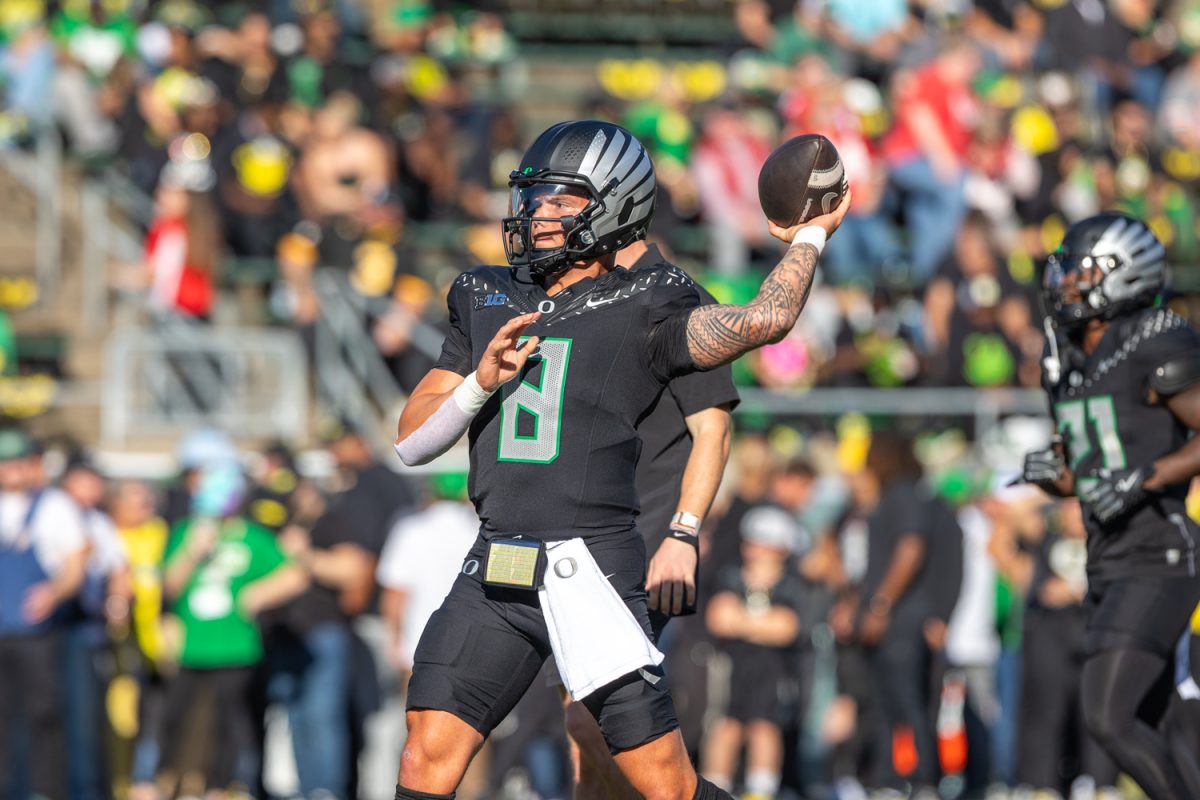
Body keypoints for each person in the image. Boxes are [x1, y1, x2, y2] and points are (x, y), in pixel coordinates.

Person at [392, 119, 851, 800]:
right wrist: (478, 383)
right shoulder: (486, 293)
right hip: (495, 561)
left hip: (588, 570)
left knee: (662, 782)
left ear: (614, 204)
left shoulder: (652, 300)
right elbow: (411, 442)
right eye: (534, 197)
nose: (537, 214)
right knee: (426, 752)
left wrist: (809, 236)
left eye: (560, 200)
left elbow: (764, 321)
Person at [1021, 212, 1200, 799]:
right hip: (1108, 559)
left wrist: (1146, 477)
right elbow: (1085, 471)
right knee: (1161, 727)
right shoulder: (1069, 359)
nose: (1066, 280)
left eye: (1082, 268)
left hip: (1160, 553)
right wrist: (1055, 479)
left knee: (1108, 716)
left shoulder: (1154, 339)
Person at [560, 235, 738, 800]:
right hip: (581, 545)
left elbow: (713, 428)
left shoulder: (675, 299)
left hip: (645, 542)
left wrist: (683, 534)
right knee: (579, 727)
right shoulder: (594, 298)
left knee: (597, 720)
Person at [0, 428, 87, 800]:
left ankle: (44, 791)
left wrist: (53, 592)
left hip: (36, 633)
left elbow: (74, 562)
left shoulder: (53, 506)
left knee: (43, 715)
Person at [702, 505, 807, 800]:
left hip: (773, 673)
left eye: (765, 544)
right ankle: (715, 791)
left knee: (765, 729)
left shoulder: (792, 585)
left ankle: (760, 792)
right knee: (725, 729)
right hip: (732, 668)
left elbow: (787, 628)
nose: (756, 550)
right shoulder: (731, 576)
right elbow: (718, 618)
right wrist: (762, 623)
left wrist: (741, 621)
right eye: (752, 542)